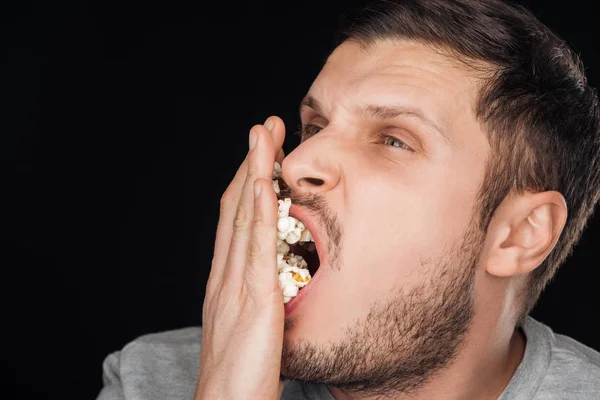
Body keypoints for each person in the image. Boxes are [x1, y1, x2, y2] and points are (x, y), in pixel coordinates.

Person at [97, 0, 600, 399]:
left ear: (519, 234)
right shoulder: (149, 380)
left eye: (393, 139)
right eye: (314, 127)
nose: (295, 164)